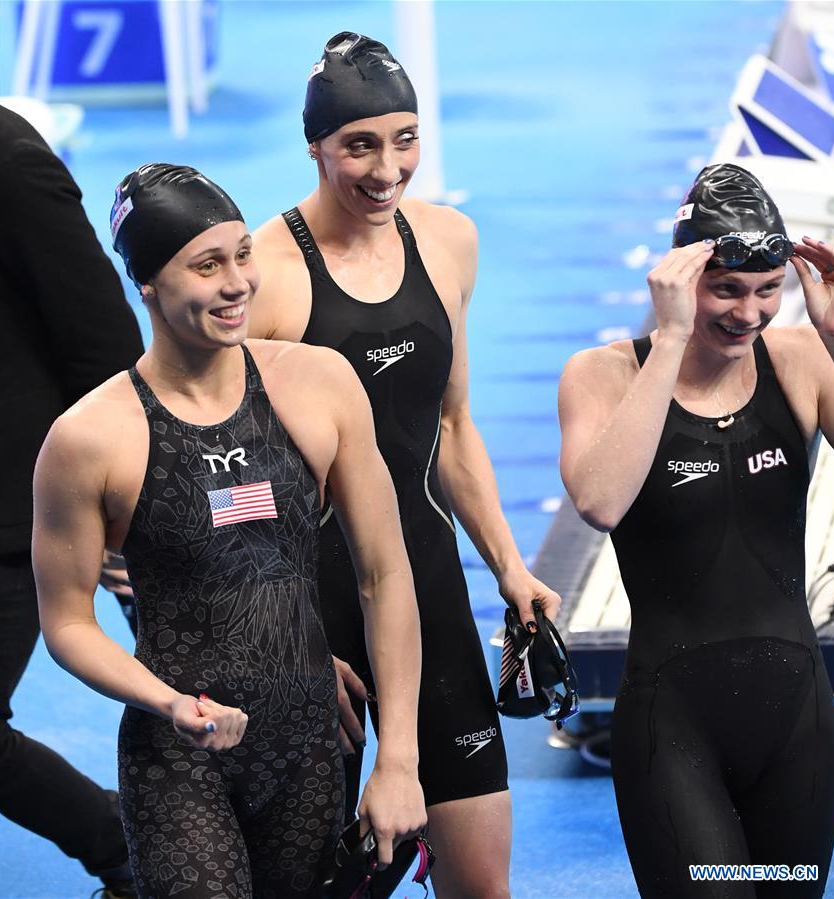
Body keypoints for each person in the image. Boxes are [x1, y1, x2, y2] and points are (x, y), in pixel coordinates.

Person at [32, 163, 426, 899]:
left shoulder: (319, 385)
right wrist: (167, 701)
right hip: (177, 755)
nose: (238, 282)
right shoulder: (88, 438)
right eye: (206, 265)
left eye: (242, 254)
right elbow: (68, 624)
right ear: (147, 282)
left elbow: (385, 573)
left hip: (312, 743)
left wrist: (398, 757)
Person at [249, 32, 562, 898]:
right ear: (313, 145)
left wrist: (508, 565)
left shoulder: (448, 242)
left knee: (482, 883)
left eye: (405, 139)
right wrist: (284, 645)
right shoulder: (266, 277)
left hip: (427, 597)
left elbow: (453, 426)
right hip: (312, 619)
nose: (388, 169)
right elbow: (235, 487)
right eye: (359, 145)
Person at [558, 163, 834, 898]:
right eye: (725, 288)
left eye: (766, 291)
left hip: (795, 722)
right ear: (681, 276)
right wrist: (671, 339)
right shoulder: (601, 375)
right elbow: (599, 500)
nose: (748, 314)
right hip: (673, 724)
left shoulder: (799, 361)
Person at [0, 102, 144, 899]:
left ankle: (128, 843)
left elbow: (105, 349)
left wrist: (115, 513)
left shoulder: (10, 159)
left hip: (14, 517)